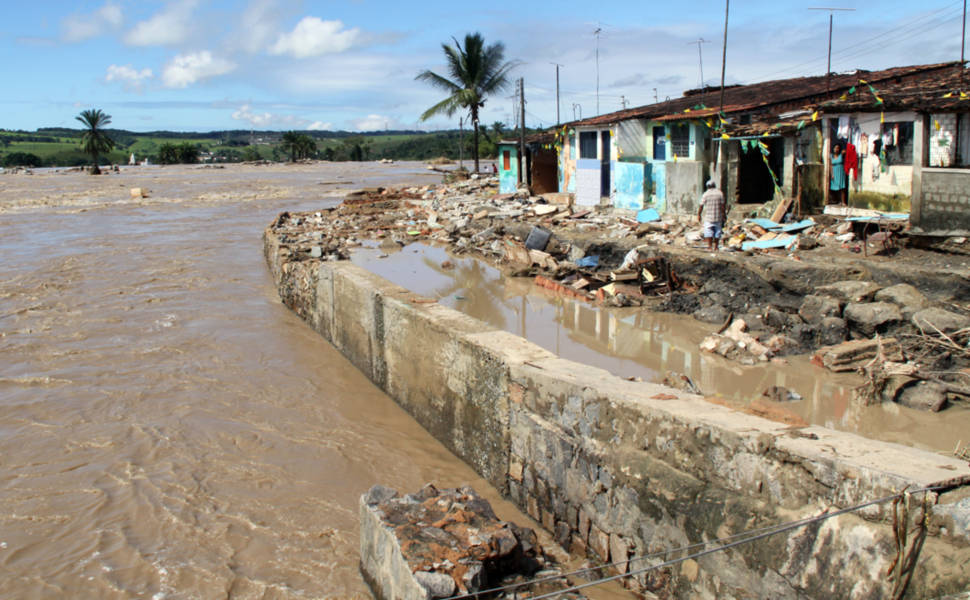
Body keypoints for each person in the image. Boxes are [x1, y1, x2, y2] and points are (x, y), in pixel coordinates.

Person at [697, 179, 726, 252]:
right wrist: (724, 215)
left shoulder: (705, 194)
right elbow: (722, 206)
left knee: (708, 232)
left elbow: (701, 205)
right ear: (714, 185)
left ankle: (709, 247)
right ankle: (716, 247)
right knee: (717, 232)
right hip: (718, 216)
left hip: (709, 217)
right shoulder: (720, 193)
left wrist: (699, 214)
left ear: (707, 186)